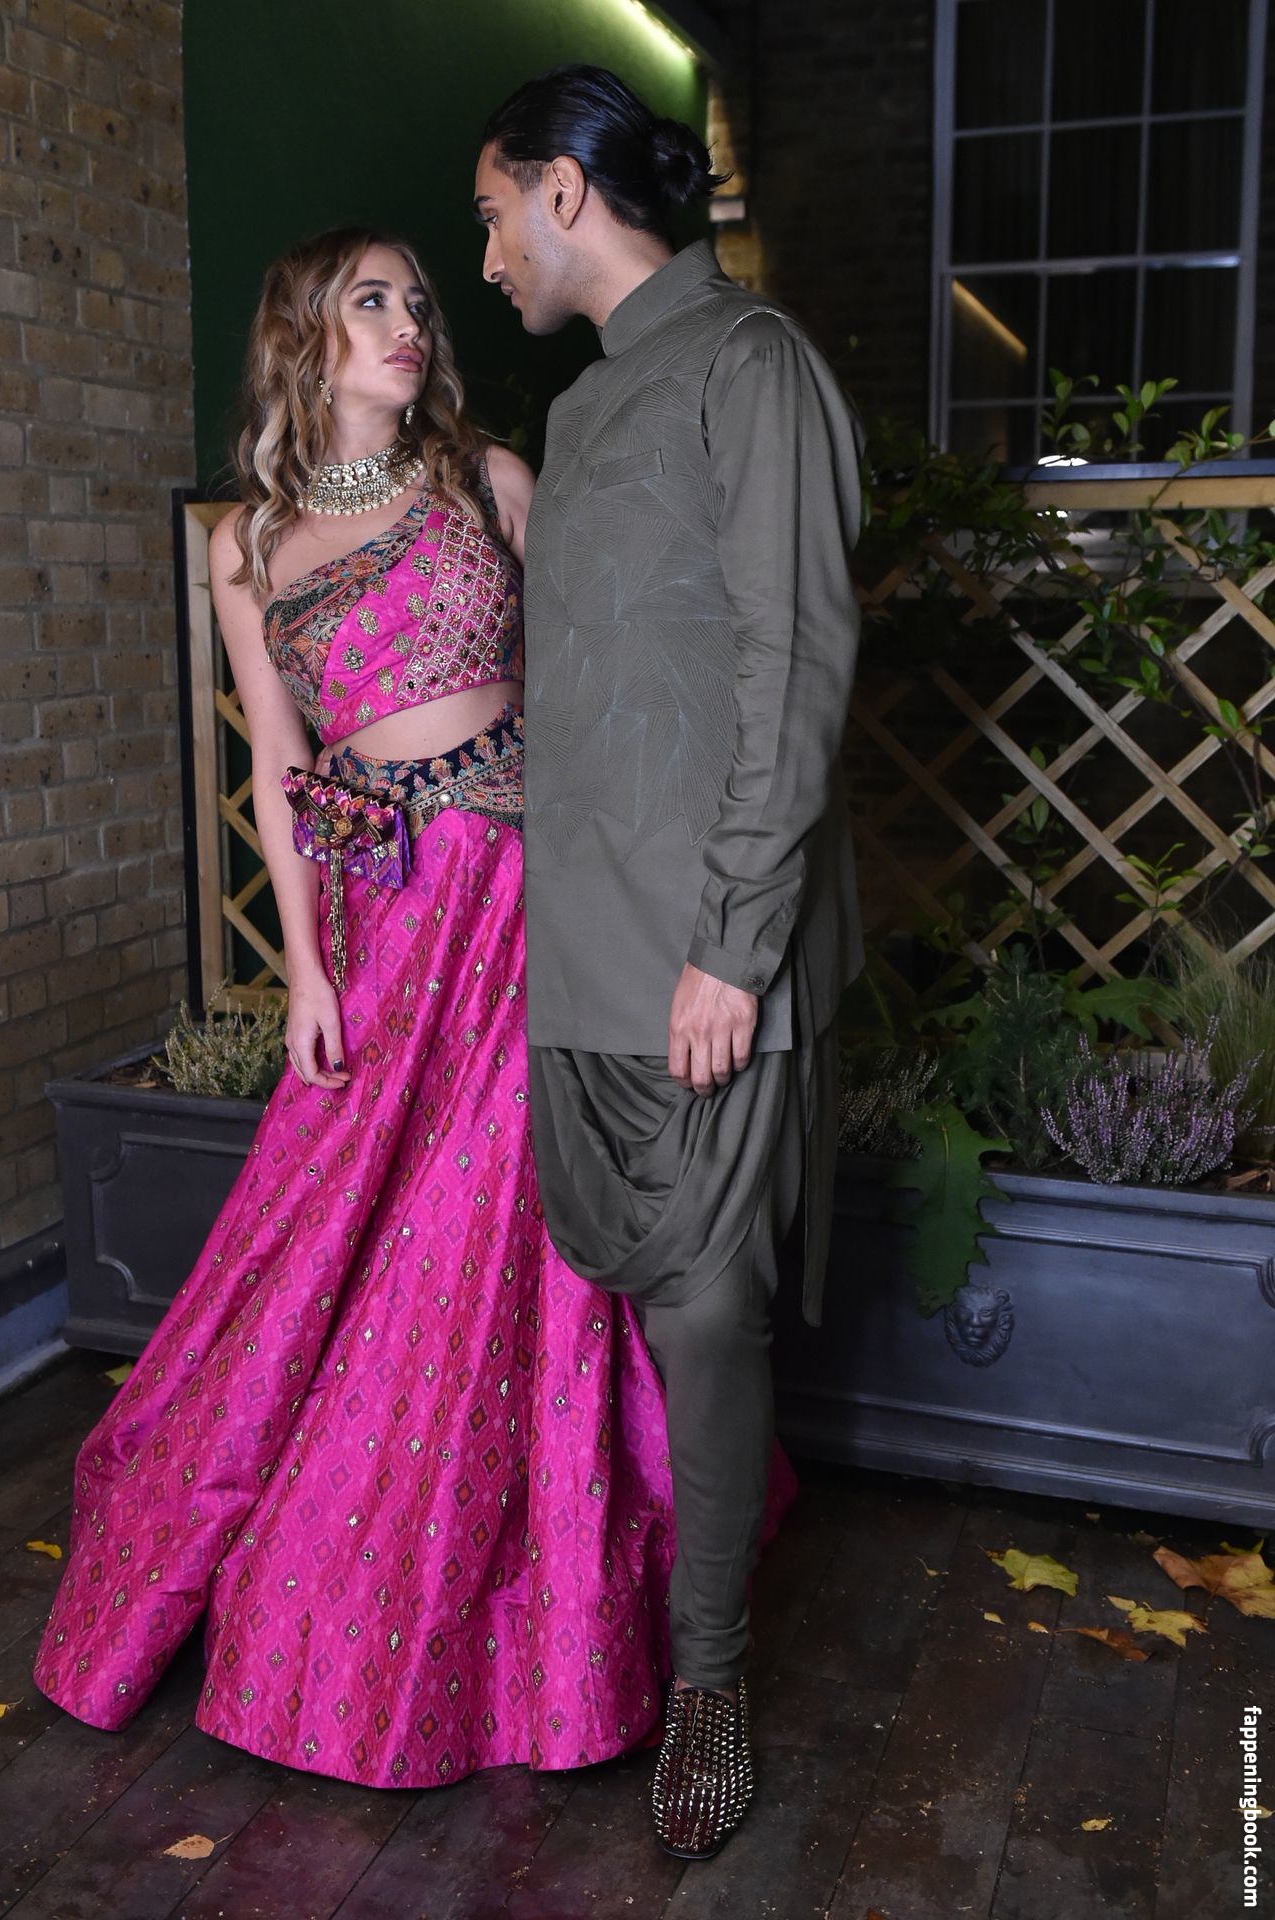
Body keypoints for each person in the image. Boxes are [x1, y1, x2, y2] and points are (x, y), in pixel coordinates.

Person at [32, 226, 799, 1790]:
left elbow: (613, 678)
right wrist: (306, 968)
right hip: (388, 916)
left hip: (533, 891)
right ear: (303, 337)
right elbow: (275, 768)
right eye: (369, 302)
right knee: (335, 1224)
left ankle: (556, 1616)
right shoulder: (250, 546)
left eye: (416, 303)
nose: (407, 324)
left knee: (506, 1219)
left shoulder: (489, 482)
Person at [475, 67, 866, 1858]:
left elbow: (797, 661)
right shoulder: (582, 406)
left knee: (706, 1316)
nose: (489, 257)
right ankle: (597, 1634)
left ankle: (709, 1684)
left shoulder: (749, 364)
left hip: (710, 952)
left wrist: (735, 942)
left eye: (494, 215)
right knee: (630, 1302)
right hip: (581, 945)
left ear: (566, 192)